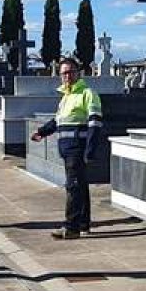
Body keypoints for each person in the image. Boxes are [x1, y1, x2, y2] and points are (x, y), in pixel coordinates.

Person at [31, 57, 104, 239]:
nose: (67, 76)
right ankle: (83, 223)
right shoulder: (66, 96)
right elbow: (58, 121)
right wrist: (42, 132)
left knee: (73, 186)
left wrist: (90, 149)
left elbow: (95, 122)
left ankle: (71, 227)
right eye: (64, 73)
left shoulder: (88, 93)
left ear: (78, 73)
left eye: (70, 72)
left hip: (77, 148)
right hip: (66, 149)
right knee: (80, 186)